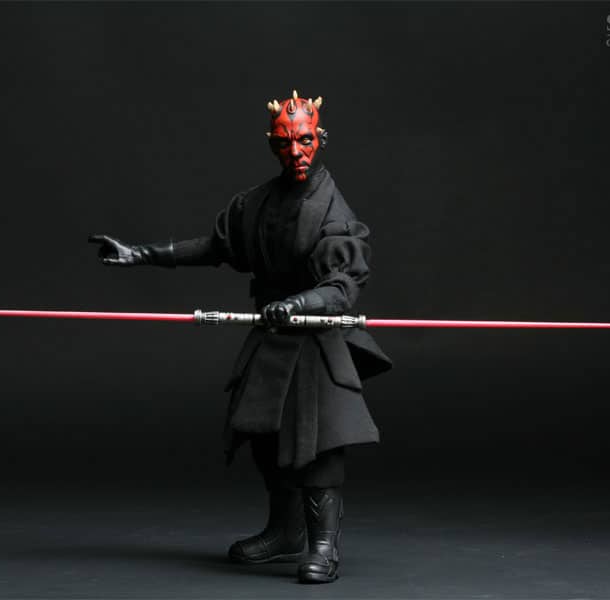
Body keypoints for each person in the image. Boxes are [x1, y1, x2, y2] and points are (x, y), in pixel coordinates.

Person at [89, 90, 392, 584]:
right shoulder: (259, 201)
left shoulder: (332, 211)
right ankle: (286, 531)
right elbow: (217, 246)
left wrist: (298, 305)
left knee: (318, 442)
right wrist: (140, 254)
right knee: (264, 435)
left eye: (305, 140)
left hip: (314, 338)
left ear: (320, 139)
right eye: (285, 142)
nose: (296, 151)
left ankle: (322, 545)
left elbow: (341, 288)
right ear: (273, 144)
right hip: (273, 335)